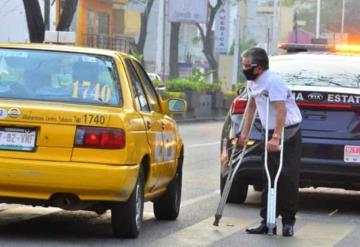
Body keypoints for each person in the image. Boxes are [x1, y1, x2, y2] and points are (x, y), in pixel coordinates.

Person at [237, 47, 302, 237]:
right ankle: (267, 221)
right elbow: (251, 107)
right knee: (268, 176)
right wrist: (244, 133)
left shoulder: (273, 82)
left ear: (258, 68)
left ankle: (288, 222)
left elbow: (281, 110)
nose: (244, 68)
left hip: (287, 131)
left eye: (247, 66)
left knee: (287, 177)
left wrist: (276, 137)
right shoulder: (253, 82)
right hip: (269, 130)